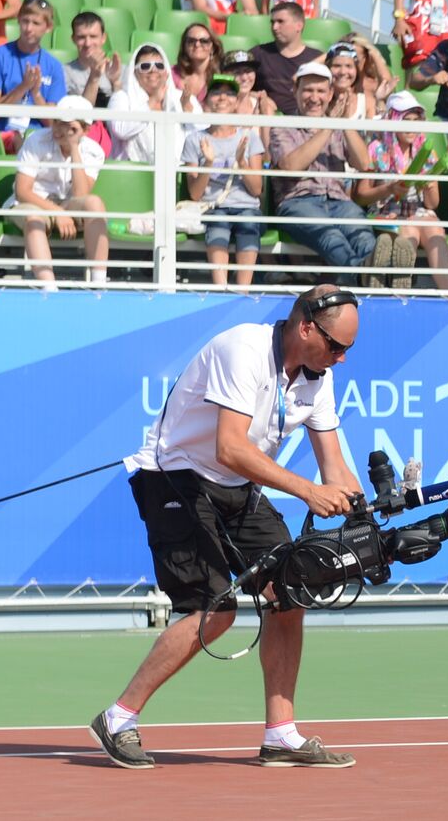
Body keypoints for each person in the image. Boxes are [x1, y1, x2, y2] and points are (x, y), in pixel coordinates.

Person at [91, 284, 363, 771]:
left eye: (348, 350)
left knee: (290, 589)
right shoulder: (244, 350)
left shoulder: (318, 377)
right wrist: (308, 492)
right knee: (213, 609)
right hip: (176, 476)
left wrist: (370, 507)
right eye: (337, 347)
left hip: (237, 487)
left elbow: (336, 471)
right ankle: (117, 718)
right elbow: (230, 448)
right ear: (306, 328)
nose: (342, 359)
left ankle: (281, 733)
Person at [271, 62, 389, 281]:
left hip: (338, 200)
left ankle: (380, 280)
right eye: (308, 90)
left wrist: (343, 122)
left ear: (330, 94)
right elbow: (291, 167)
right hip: (298, 201)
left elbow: (364, 163)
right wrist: (329, 126)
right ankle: (368, 279)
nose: (314, 97)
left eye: (320, 91)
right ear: (295, 92)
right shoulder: (282, 125)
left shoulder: (337, 123)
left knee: (363, 237)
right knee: (332, 237)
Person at [354, 91, 448, 292]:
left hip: (417, 212)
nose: (411, 126)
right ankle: (402, 291)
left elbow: (432, 204)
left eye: (415, 120)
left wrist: (429, 186)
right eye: (405, 120)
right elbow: (361, 195)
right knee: (410, 228)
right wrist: (388, 189)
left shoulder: (426, 152)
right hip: (387, 212)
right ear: (393, 120)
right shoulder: (376, 148)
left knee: (434, 229)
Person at [5, 94, 106, 288]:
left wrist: (74, 148)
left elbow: (81, 195)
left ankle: (99, 284)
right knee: (33, 218)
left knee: (95, 203)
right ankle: (49, 289)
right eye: (57, 122)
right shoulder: (36, 140)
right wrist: (57, 212)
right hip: (30, 205)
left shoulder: (94, 151)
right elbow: (22, 192)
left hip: (67, 206)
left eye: (69, 125)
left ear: (85, 130)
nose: (59, 129)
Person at [183, 74, 265, 287]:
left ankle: (243, 290)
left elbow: (256, 189)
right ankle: (221, 289)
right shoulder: (194, 140)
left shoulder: (250, 137)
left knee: (248, 223)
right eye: (216, 93)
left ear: (237, 102)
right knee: (218, 224)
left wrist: (241, 161)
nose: (222, 98)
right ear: (206, 100)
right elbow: (195, 194)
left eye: (229, 94)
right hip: (214, 207)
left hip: (247, 207)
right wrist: (208, 163)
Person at [0, 0, 65, 152]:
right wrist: (23, 87)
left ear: (48, 27)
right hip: (2, 134)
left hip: (39, 137)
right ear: (19, 20)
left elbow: (52, 122)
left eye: (36, 23)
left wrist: (36, 94)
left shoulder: (54, 66)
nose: (29, 28)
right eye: (25, 21)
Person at [107, 42, 199, 163]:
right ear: (135, 72)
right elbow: (120, 130)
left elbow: (201, 136)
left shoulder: (183, 98)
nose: (153, 70)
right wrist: (153, 101)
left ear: (166, 71)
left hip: (177, 173)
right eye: (145, 66)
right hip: (134, 173)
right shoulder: (121, 98)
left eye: (159, 65)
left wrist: (187, 110)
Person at [251, 2, 322, 116]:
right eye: (272, 22)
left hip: (306, 122)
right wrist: (258, 96)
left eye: (280, 22)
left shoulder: (317, 59)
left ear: (299, 25)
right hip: (266, 120)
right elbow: (235, 87)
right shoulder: (258, 54)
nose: (274, 27)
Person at [224, 48, 277, 149]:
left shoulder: (264, 106)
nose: (244, 78)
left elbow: (268, 155)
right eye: (237, 72)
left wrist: (264, 114)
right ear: (225, 74)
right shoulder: (218, 105)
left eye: (248, 71)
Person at [172, 21, 223, 104]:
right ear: (184, 46)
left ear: (213, 48)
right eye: (191, 41)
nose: (197, 44)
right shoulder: (171, 74)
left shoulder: (221, 76)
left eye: (204, 41)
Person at [324, 41, 372, 120]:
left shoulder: (367, 102)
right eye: (337, 66)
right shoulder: (318, 100)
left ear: (356, 70)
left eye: (348, 66)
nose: (343, 72)